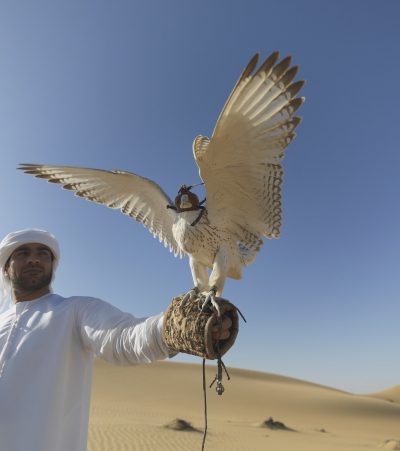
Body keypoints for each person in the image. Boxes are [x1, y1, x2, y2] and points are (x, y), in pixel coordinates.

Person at [0, 229, 232, 451]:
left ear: (52, 265)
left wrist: (173, 328)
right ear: (5, 269)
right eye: (23, 253)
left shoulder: (75, 311)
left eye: (43, 253)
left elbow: (124, 337)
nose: (34, 260)